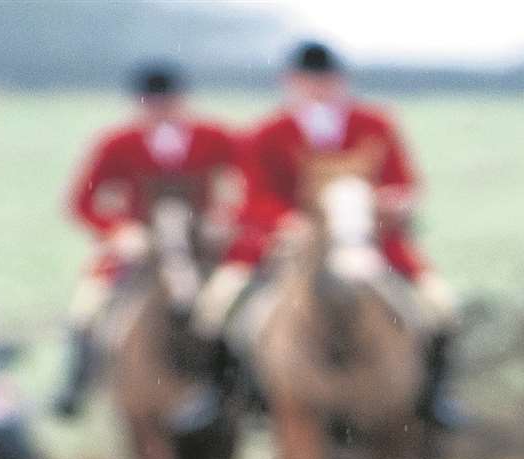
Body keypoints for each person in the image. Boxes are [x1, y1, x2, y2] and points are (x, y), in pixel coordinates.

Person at [191, 41, 462, 427]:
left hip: (372, 245)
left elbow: (403, 182)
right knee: (215, 307)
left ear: (341, 82)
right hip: (285, 248)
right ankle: (227, 396)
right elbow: (253, 197)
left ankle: (434, 396)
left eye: (325, 81)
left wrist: (395, 202)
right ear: (291, 83)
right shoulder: (268, 132)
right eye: (308, 81)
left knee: (442, 307)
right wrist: (288, 223)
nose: (318, 89)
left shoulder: (376, 125)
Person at [56, 63, 239, 420]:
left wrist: (224, 219)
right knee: (85, 310)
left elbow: (245, 181)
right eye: (153, 104)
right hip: (139, 250)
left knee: (234, 304)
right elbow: (80, 203)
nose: (160, 111)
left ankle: (240, 388)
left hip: (201, 248)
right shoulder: (117, 143)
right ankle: (74, 389)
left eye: (167, 103)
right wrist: (118, 231)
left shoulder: (214, 137)